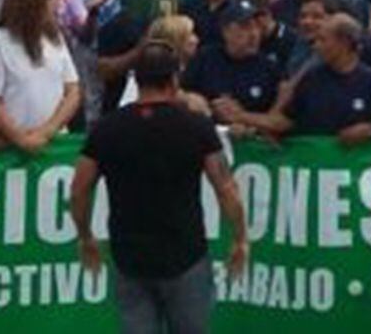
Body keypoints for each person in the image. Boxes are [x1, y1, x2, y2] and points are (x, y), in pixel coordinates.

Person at [70, 42, 248, 334]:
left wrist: (85, 236)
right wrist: (240, 238)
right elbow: (226, 188)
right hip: (185, 254)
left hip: (130, 257)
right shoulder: (195, 126)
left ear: (137, 79)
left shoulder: (107, 128)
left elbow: (79, 189)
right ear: (174, 79)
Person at [266, 15, 371, 143]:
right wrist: (249, 121)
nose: (316, 46)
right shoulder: (311, 78)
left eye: (323, 40)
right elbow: (287, 121)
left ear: (344, 43)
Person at [0, 0, 82, 152]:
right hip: (9, 147)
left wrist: (47, 131)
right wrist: (20, 138)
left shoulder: (55, 39)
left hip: (54, 144)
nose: (56, 4)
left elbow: (72, 90)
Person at [185, 0, 282, 135]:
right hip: (207, 134)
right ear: (226, 31)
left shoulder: (270, 69)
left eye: (257, 27)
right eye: (245, 27)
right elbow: (181, 91)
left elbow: (278, 119)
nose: (253, 34)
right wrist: (195, 100)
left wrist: (247, 121)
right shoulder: (205, 57)